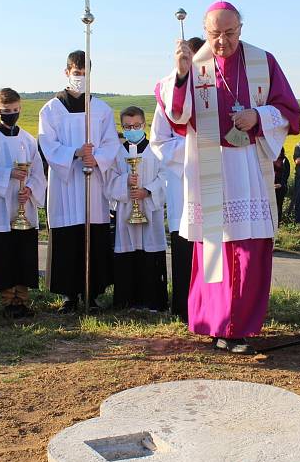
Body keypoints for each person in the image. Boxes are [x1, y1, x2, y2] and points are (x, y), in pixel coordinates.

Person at [157, 0, 300, 354]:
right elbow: (176, 113)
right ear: (205, 32)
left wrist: (258, 114)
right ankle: (215, 324)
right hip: (210, 164)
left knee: (248, 248)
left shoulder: (263, 62)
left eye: (230, 33)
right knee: (214, 250)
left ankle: (241, 328)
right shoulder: (196, 65)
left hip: (249, 165)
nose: (222, 41)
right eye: (215, 34)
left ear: (241, 28)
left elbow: (289, 110)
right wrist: (180, 74)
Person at [39, 50, 120, 313]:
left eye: (85, 74)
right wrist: (74, 152)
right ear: (67, 72)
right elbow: (47, 143)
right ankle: (69, 295)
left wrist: (96, 159)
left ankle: (92, 294)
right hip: (65, 184)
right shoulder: (51, 109)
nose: (80, 78)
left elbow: (111, 143)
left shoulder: (101, 108)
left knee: (93, 235)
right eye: (76, 73)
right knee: (67, 236)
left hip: (92, 182)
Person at [0, 88, 46, 318]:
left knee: (24, 252)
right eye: (7, 111)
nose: (12, 114)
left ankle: (23, 299)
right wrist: (8, 174)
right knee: (5, 253)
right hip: (1, 207)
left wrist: (30, 189)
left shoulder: (27, 139)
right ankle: (8, 300)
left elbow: (38, 171)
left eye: (15, 110)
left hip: (24, 204)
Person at [150, 37, 204, 321]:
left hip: (213, 178)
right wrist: (193, 148)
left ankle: (211, 306)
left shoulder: (214, 90)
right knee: (185, 243)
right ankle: (183, 307)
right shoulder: (168, 93)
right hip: (182, 181)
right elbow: (158, 141)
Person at [105, 106, 167, 310]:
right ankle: (127, 301)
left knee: (150, 252)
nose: (132, 129)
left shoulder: (156, 150)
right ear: (121, 126)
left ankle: (153, 302)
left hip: (150, 210)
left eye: (137, 125)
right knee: (127, 253)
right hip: (126, 212)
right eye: (127, 126)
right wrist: (125, 183)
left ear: (145, 124)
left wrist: (148, 191)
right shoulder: (117, 153)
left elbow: (166, 177)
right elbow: (109, 180)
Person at [273, 147, 290, 222]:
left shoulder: (284, 160)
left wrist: (281, 184)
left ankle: (278, 222)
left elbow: (286, 174)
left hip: (280, 186)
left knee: (278, 205)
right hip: (271, 186)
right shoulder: (270, 159)